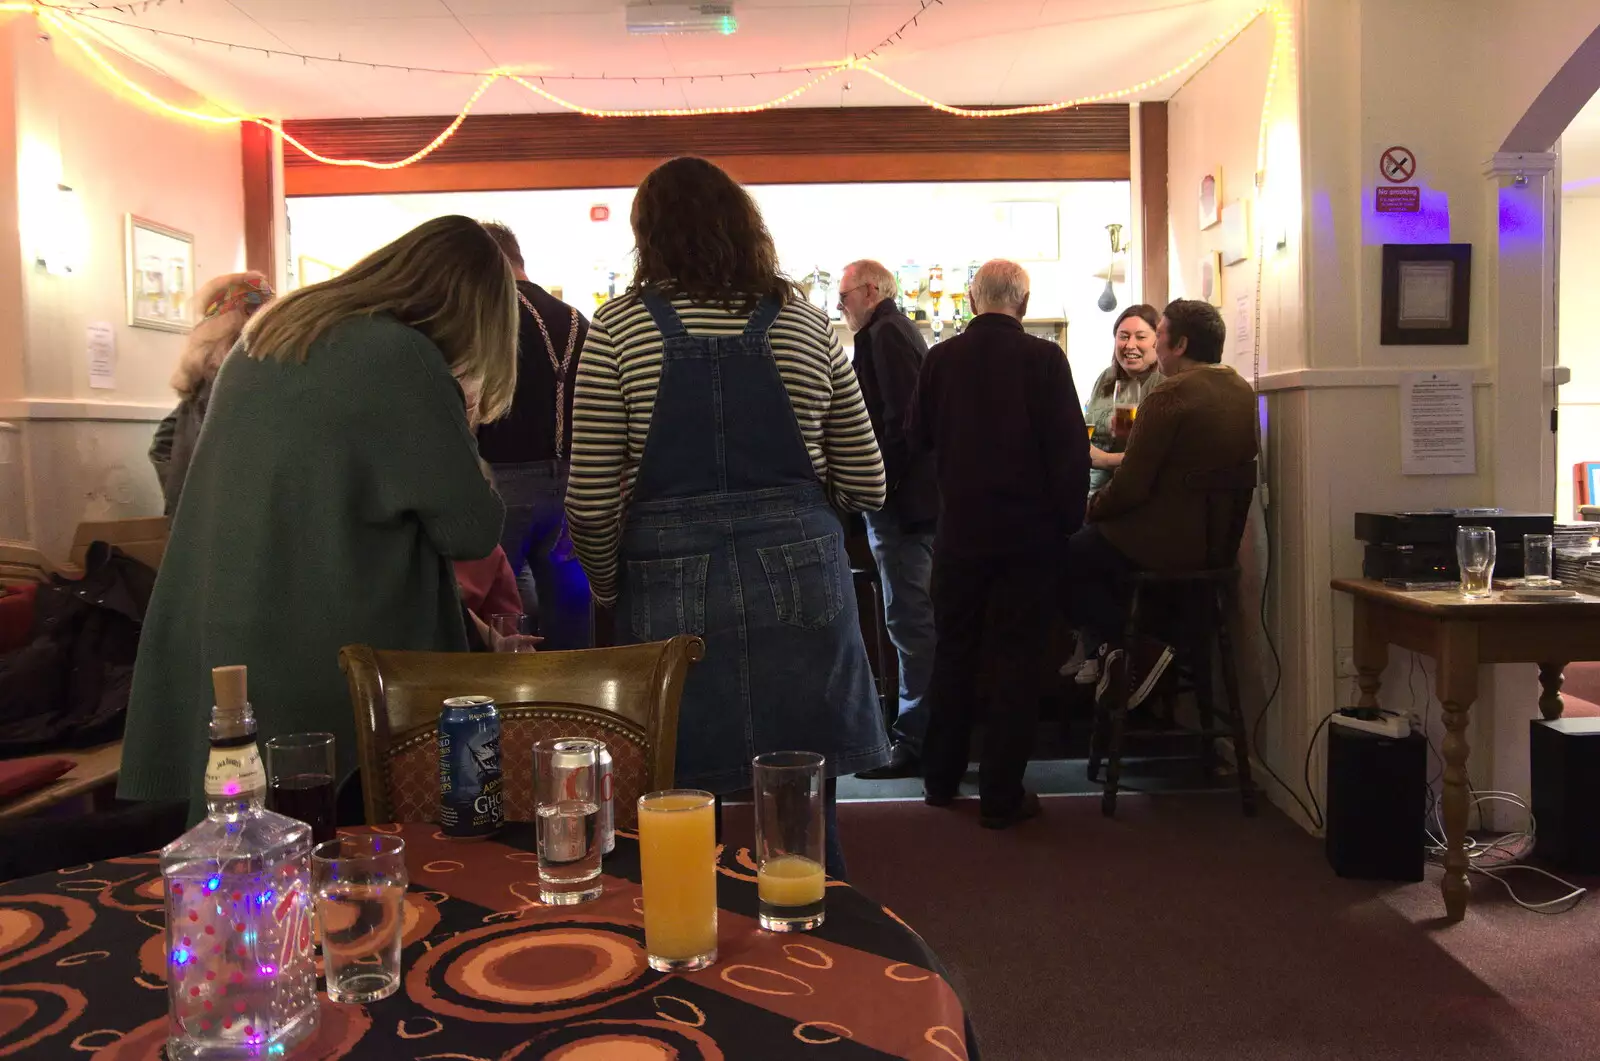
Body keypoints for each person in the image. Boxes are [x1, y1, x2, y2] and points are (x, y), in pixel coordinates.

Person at [119, 216, 517, 822]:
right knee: (365, 858)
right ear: (472, 312)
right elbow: (470, 528)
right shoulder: (402, 356)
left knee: (259, 858)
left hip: (226, 636)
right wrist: (461, 424)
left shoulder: (273, 335)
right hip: (332, 656)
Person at [566, 157, 888, 878]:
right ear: (748, 228)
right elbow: (869, 481)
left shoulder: (616, 333)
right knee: (804, 793)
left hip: (668, 580)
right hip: (802, 569)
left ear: (646, 235)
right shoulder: (810, 328)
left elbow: (588, 501)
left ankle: (694, 954)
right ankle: (821, 947)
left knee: (679, 798)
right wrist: (801, 513)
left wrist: (610, 589)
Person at [912, 260, 1090, 829]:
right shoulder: (1044, 359)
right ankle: (1000, 797)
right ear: (1024, 300)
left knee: (953, 654)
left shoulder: (940, 359)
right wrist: (1067, 524)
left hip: (960, 532)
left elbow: (917, 438)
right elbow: (1071, 454)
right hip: (1027, 537)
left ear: (970, 297)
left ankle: (939, 781)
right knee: (1017, 663)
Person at [1066, 298, 1258, 710]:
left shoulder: (1169, 395)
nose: (1148, 345)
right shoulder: (1241, 391)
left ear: (1179, 344)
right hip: (1214, 549)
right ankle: (1119, 654)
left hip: (1164, 545)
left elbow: (1130, 487)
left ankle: (1134, 648)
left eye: (1160, 335)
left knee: (1064, 554)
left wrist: (1090, 509)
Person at [837, 259, 938, 781]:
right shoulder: (893, 331)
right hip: (907, 502)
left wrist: (878, 484)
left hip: (901, 506)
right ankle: (916, 733)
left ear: (871, 291)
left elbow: (903, 424)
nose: (840, 305)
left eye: (845, 295)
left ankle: (915, 740)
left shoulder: (885, 335)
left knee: (908, 621)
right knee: (908, 619)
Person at [477, 221, 595, 651]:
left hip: (501, 481)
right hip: (571, 482)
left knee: (502, 610)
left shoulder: (489, 317)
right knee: (571, 609)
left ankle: (514, 710)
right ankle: (576, 706)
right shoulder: (577, 319)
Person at [1065, 304, 1163, 688]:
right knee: (1047, 541)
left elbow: (1148, 456)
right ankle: (1094, 641)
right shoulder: (1107, 380)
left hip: (1131, 498)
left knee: (1078, 550)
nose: (1131, 345)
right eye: (1124, 336)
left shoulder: (1161, 386)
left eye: (1141, 336)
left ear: (1159, 341)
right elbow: (1087, 428)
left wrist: (1106, 458)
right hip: (1094, 487)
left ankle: (1106, 645)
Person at [148, 272, 274, 515]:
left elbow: (162, 443)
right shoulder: (242, 375)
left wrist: (182, 492)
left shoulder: (206, 378)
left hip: (199, 522)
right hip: (230, 520)